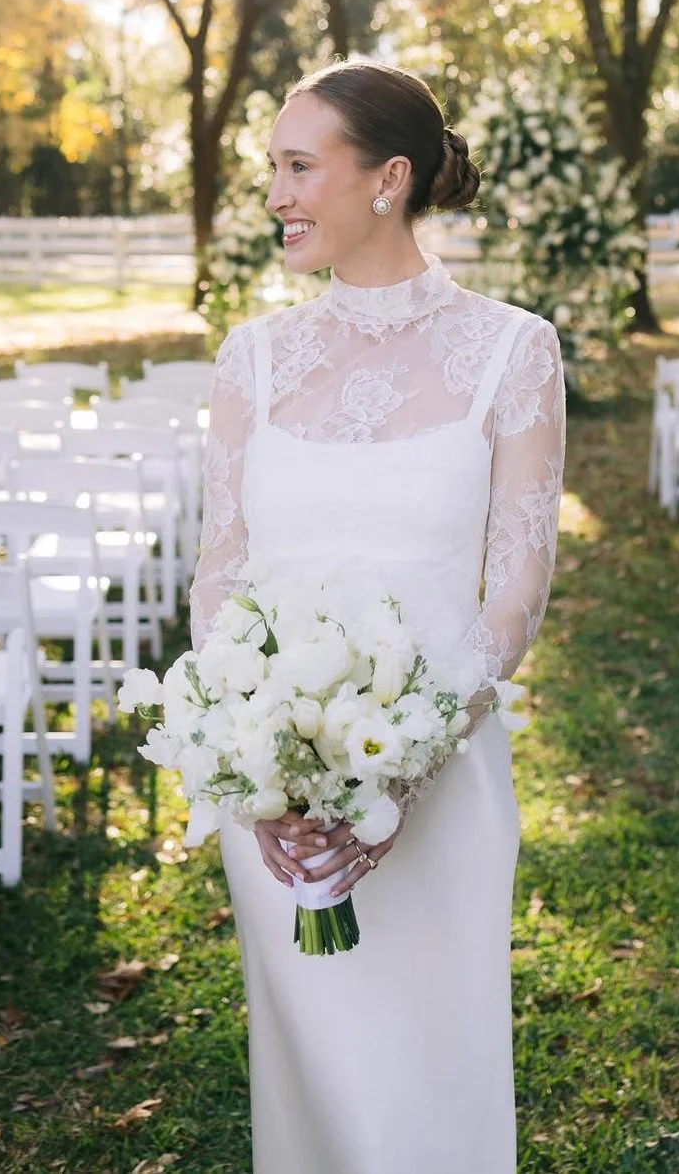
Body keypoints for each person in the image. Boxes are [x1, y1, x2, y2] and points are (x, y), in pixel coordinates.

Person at [188, 59, 566, 1174]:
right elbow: (220, 574)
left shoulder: (513, 350)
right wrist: (253, 772)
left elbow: (517, 592)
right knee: (316, 1083)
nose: (276, 196)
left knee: (426, 1085)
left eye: (300, 168)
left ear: (388, 178)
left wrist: (401, 771)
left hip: (439, 783)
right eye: (273, 169)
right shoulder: (252, 358)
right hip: (278, 807)